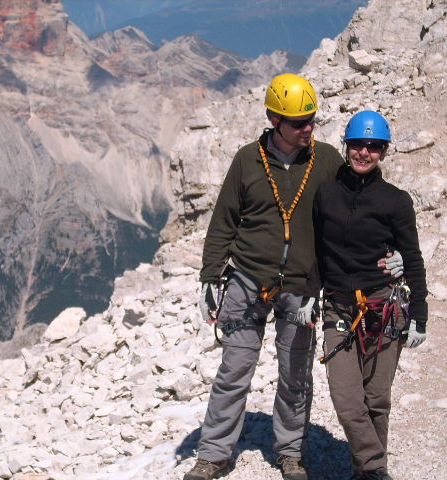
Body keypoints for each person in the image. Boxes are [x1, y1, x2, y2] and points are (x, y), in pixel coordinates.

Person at [184, 74, 404, 480]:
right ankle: (213, 454)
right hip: (247, 280)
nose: (309, 129)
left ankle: (290, 453)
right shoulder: (246, 160)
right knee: (234, 370)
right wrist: (210, 276)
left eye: (312, 120)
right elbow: (224, 222)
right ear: (273, 120)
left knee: (295, 374)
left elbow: (361, 205)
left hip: (301, 287)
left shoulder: (326, 160)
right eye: (298, 122)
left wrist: (393, 250)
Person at [311, 110, 428, 480]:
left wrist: (420, 316)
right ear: (346, 146)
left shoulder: (395, 201)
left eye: (374, 146)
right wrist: (303, 294)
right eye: (358, 144)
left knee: (377, 400)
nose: (365, 152)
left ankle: (366, 473)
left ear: (384, 152)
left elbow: (412, 258)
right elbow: (315, 251)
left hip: (383, 307)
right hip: (339, 308)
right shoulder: (326, 195)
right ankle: (376, 469)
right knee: (348, 402)